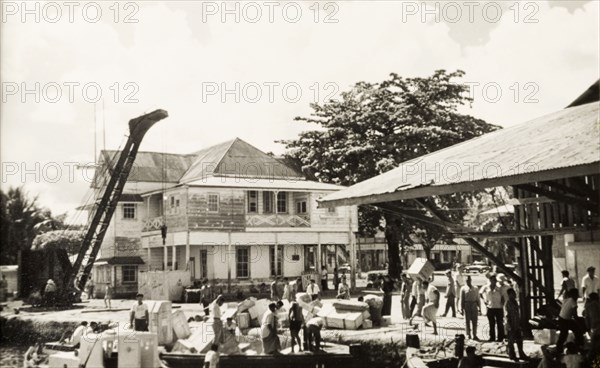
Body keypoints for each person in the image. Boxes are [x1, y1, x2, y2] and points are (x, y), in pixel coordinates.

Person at [556, 288, 584, 354]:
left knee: (570, 332)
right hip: (565, 320)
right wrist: (581, 322)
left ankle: (578, 344)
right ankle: (579, 345)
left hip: (562, 318)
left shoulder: (567, 299)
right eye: (577, 295)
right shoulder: (573, 302)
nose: (577, 296)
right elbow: (575, 316)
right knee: (565, 334)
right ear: (575, 295)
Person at [504, 288, 528, 361]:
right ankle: (512, 355)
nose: (514, 295)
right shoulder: (507, 303)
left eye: (514, 293)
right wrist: (509, 324)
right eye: (512, 293)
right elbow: (506, 315)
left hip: (517, 323)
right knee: (511, 341)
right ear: (509, 295)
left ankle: (521, 353)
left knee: (519, 340)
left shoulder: (515, 302)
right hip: (511, 324)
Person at [480, 274, 505, 342]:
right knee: (491, 323)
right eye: (492, 279)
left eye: (494, 280)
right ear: (490, 280)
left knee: (499, 323)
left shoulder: (499, 288)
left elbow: (503, 297)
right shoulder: (486, 287)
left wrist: (502, 304)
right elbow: (480, 293)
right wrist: (484, 300)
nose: (493, 281)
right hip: (490, 307)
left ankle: (500, 337)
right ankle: (492, 337)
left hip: (498, 307)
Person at [461, 276, 480, 340]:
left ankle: (475, 335)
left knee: (474, 321)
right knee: (467, 321)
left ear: (471, 280)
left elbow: (478, 298)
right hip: (467, 304)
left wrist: (479, 307)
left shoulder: (475, 288)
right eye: (466, 280)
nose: (468, 281)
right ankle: (468, 334)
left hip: (474, 304)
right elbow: (462, 299)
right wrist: (461, 308)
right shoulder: (463, 288)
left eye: (469, 280)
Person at [583, 292, 600, 361]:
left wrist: (588, 328)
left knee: (594, 347)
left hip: (594, 328)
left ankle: (592, 362)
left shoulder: (589, 306)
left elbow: (586, 319)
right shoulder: (598, 304)